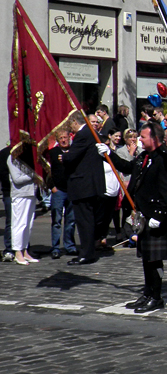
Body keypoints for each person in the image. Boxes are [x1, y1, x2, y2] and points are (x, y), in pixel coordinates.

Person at [104, 123, 167, 313]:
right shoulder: (144, 157)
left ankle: (156, 296)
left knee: (155, 260)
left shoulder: (164, 159)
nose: (140, 140)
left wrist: (159, 215)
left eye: (143, 137)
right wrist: (108, 154)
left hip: (156, 216)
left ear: (154, 138)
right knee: (147, 258)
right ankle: (148, 293)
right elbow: (128, 167)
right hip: (144, 215)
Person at [63, 111, 106, 266]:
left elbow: (71, 157)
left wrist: (64, 156)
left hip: (84, 186)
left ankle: (86, 254)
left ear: (75, 121)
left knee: (84, 221)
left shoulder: (83, 134)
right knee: (89, 220)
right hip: (90, 185)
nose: (70, 128)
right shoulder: (91, 133)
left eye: (70, 124)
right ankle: (89, 250)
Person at [44, 129, 76, 260]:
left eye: (65, 137)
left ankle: (70, 246)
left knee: (71, 220)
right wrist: (52, 187)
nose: (63, 140)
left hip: (72, 190)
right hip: (59, 191)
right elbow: (47, 170)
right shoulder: (53, 153)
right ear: (58, 140)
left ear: (69, 137)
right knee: (56, 220)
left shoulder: (74, 151)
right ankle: (55, 247)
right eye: (61, 138)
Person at [9, 148, 39, 265]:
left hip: (30, 193)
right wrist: (33, 174)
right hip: (20, 194)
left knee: (28, 223)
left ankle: (24, 250)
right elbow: (17, 179)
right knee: (19, 224)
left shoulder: (28, 159)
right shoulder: (12, 158)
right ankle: (17, 252)